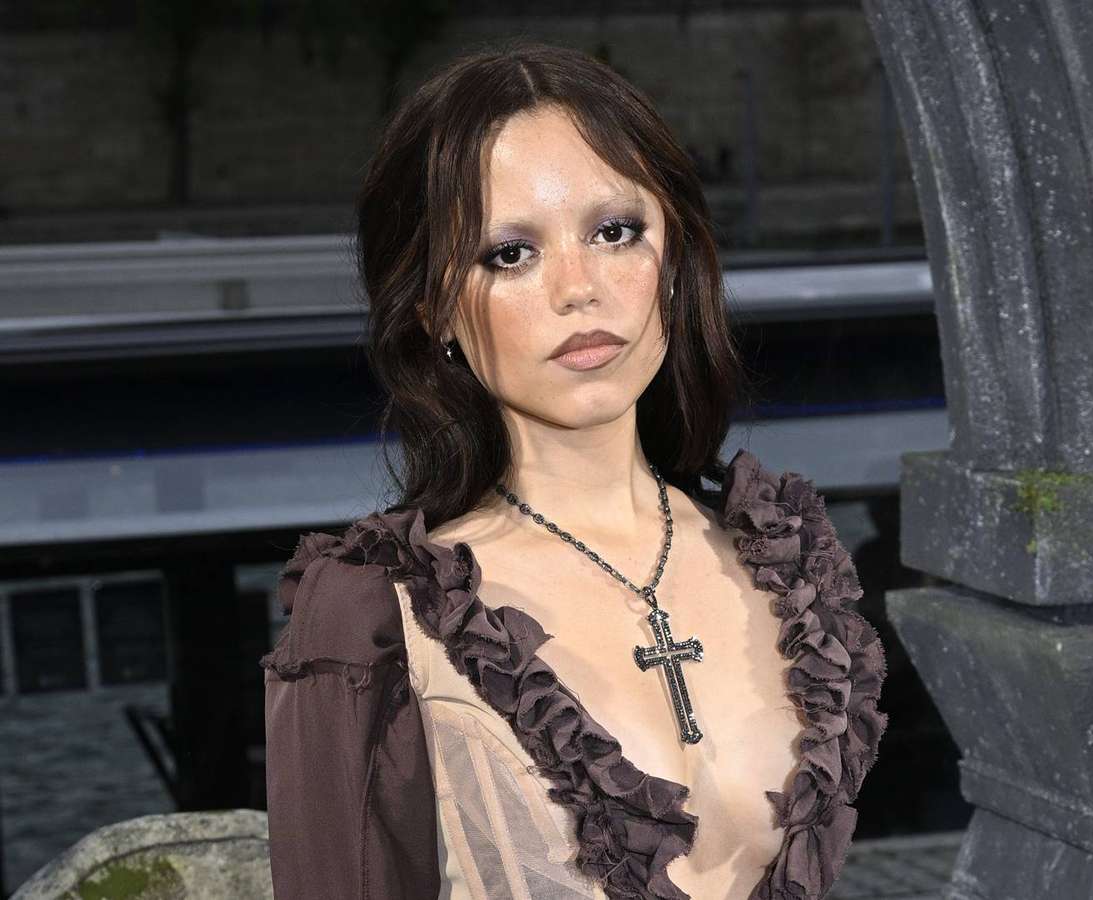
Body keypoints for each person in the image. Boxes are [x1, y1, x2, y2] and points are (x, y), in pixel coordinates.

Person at [259, 39, 888, 900]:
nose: (579, 287)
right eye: (509, 253)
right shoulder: (373, 620)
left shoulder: (789, 567)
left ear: (673, 259)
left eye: (614, 232)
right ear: (435, 307)